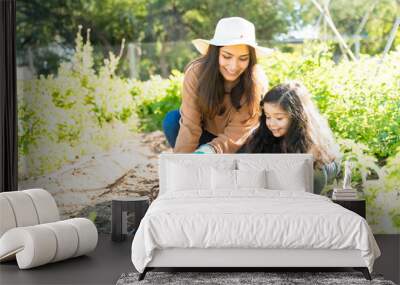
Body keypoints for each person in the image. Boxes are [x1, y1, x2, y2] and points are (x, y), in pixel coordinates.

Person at [162, 17, 271, 154]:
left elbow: (240, 130)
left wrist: (210, 150)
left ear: (250, 58)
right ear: (215, 52)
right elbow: (190, 124)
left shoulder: (256, 80)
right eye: (226, 56)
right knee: (172, 121)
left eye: (243, 58)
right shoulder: (196, 73)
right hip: (205, 135)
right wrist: (183, 162)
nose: (233, 66)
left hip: (239, 141)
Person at [239, 81, 341, 194]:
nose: (271, 123)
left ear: (296, 117)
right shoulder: (263, 135)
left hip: (309, 187)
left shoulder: (312, 142)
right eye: (268, 117)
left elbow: (321, 173)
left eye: (279, 118)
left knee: (314, 171)